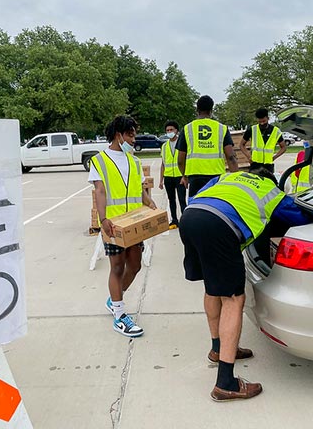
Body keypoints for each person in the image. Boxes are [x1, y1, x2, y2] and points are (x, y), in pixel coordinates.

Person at [178, 168, 312, 401]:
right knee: (233, 298)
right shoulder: (270, 191)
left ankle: (218, 349)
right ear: (270, 181)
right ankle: (226, 383)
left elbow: (197, 194)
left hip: (191, 217)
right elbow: (301, 218)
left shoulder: (227, 176)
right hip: (219, 226)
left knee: (213, 288)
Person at [89, 115, 156, 338]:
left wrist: (149, 202)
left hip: (134, 222)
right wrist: (102, 219)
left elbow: (139, 190)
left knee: (135, 265)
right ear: (118, 135)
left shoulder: (133, 161)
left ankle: (113, 299)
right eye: (130, 134)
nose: (133, 138)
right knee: (117, 267)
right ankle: (119, 315)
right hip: (114, 224)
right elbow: (99, 190)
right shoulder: (99, 160)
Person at [177, 95, 238, 197]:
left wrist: (184, 176)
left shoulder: (187, 129)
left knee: (196, 207)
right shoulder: (221, 128)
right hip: (216, 176)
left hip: (195, 176)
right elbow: (231, 157)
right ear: (211, 111)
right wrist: (235, 180)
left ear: (197, 110)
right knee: (216, 207)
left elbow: (180, 160)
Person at [240, 107, 286, 173]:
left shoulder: (276, 131)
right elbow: (241, 145)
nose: (262, 123)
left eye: (264, 121)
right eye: (259, 121)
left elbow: (283, 147)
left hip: (268, 165)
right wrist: (249, 157)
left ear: (268, 118)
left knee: (269, 183)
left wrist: (274, 157)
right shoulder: (252, 129)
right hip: (255, 164)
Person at [159, 120, 187, 229]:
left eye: (171, 130)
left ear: (176, 130)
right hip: (169, 177)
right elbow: (163, 164)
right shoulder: (164, 146)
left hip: (180, 177)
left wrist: (185, 176)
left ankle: (185, 221)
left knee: (181, 199)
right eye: (167, 130)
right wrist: (161, 180)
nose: (169, 132)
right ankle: (174, 220)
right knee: (171, 200)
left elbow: (186, 161)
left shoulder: (182, 143)